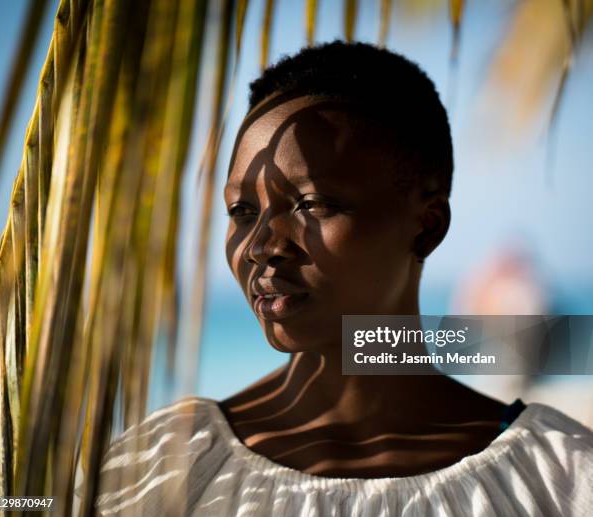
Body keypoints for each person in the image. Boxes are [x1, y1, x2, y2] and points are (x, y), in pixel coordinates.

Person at [88, 41, 593, 516]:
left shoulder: (561, 477)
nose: (262, 244)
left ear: (427, 226)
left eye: (312, 204)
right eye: (242, 211)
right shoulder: (157, 471)